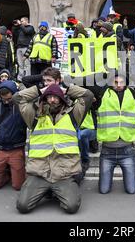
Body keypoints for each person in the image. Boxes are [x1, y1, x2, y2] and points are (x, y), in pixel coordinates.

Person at [14, 83, 93, 214]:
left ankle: (56, 191)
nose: (52, 100)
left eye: (55, 97)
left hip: (64, 175)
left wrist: (67, 89)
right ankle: (49, 191)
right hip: (40, 174)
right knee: (22, 206)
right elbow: (17, 98)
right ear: (44, 99)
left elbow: (88, 95)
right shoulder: (33, 115)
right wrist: (39, 91)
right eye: (48, 97)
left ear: (62, 98)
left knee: (72, 207)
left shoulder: (74, 115)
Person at [83, 72, 135, 194]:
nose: (119, 85)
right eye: (115, 82)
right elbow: (85, 82)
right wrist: (104, 75)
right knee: (104, 190)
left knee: (131, 190)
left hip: (127, 151)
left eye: (122, 82)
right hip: (107, 152)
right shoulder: (102, 93)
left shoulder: (133, 93)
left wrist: (128, 73)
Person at [12, 17, 35, 81]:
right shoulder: (20, 28)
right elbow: (14, 34)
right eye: (20, 21)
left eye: (22, 21)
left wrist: (20, 25)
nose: (21, 22)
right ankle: (20, 79)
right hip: (19, 48)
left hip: (26, 47)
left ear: (26, 21)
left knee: (27, 64)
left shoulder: (30, 27)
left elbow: (26, 31)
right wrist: (16, 26)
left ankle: (27, 78)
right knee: (20, 64)